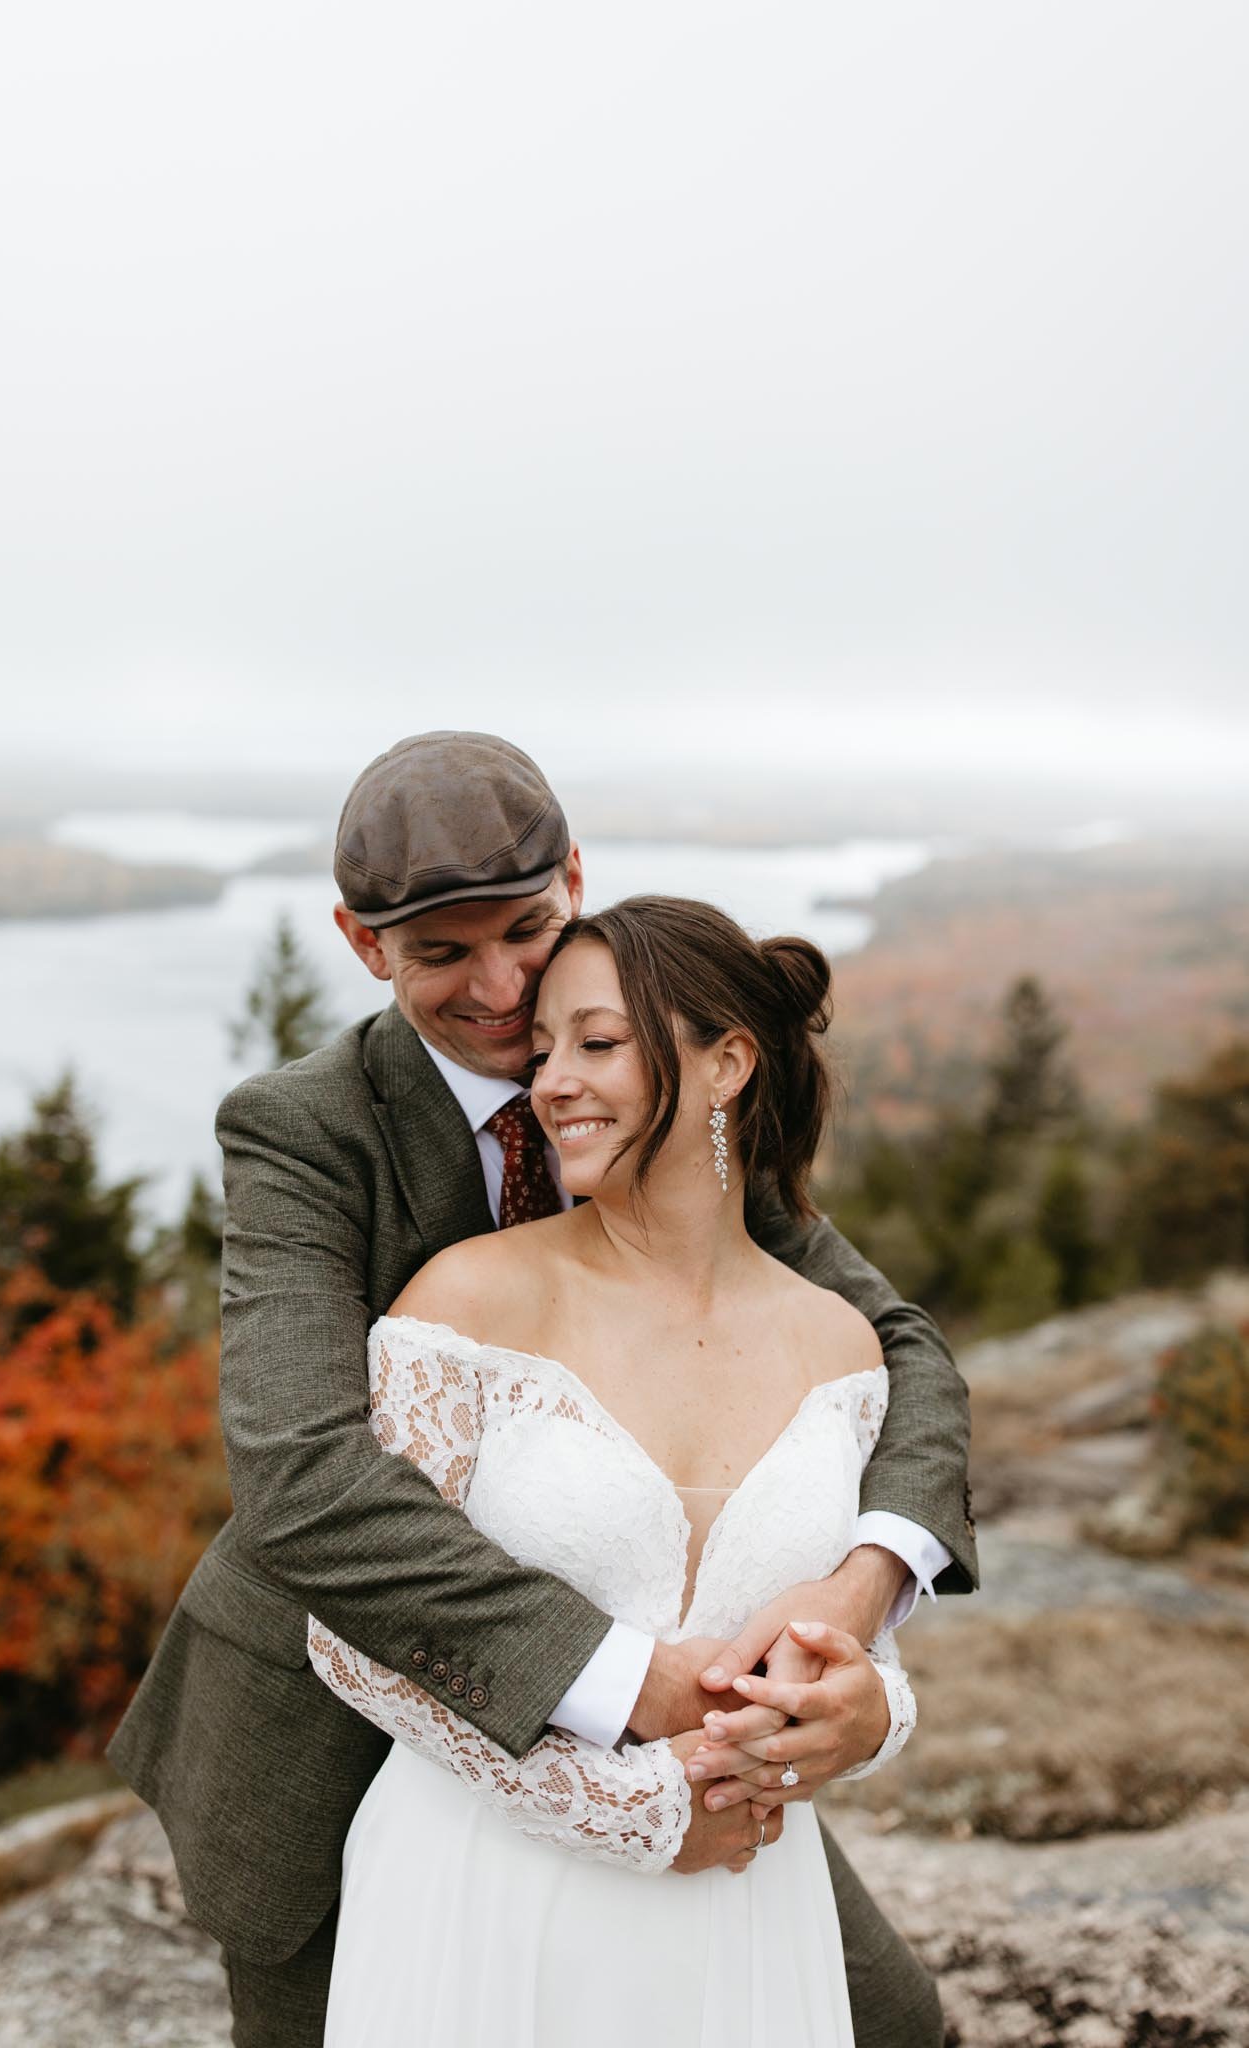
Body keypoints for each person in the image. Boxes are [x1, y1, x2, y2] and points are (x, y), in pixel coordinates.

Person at [108, 731, 977, 2048]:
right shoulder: (302, 1129)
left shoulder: (660, 1095)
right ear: (362, 945)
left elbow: (898, 1347)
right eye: (442, 953)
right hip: (335, 1708)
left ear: (574, 877)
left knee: (890, 2024)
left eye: (527, 929)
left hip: (665, 1695)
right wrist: (628, 1682)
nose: (507, 989)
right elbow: (303, 1483)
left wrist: (853, 1601)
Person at [310, 892, 917, 2045]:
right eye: (543, 1051)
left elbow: (857, 1637)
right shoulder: (469, 1300)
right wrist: (617, 1808)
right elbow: (354, 1630)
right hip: (482, 1893)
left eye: (595, 1043)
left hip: (744, 1912)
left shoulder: (840, 1344)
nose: (548, 1082)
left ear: (727, 1061)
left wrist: (872, 1711)